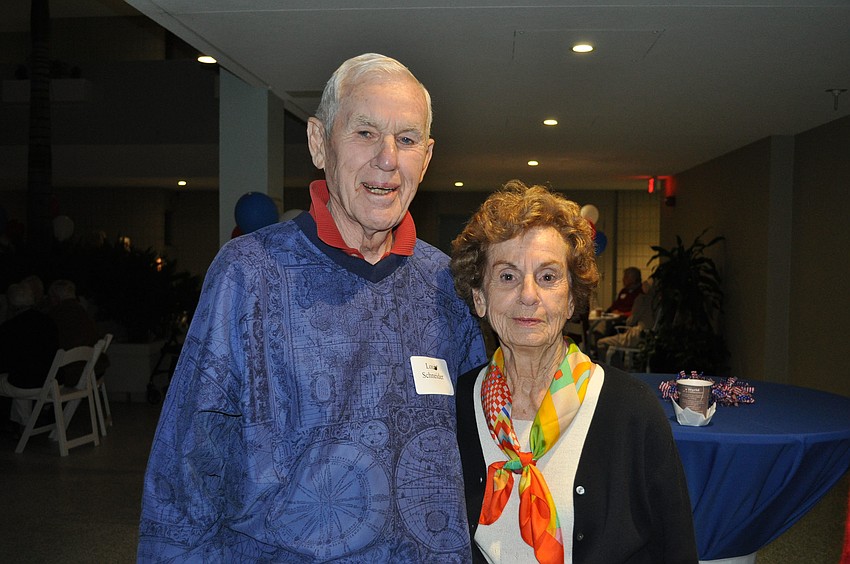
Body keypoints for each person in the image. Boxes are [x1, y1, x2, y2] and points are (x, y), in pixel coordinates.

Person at [137, 53, 487, 562]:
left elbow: (479, 446)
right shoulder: (249, 274)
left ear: (427, 157)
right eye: (365, 132)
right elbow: (187, 467)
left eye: (407, 139)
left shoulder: (445, 284)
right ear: (319, 142)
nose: (387, 159)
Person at [450, 180, 697, 563]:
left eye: (548, 277)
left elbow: (675, 548)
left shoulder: (631, 412)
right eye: (507, 276)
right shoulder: (458, 407)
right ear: (480, 298)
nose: (528, 295)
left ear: (571, 301)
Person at [0, 282, 60, 432]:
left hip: (29, 382)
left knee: (14, 377)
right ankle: (22, 424)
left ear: (11, 303)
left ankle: (19, 424)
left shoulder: (10, 328)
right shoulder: (48, 321)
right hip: (53, 379)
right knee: (21, 373)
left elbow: (5, 360)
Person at [47, 279, 109, 386]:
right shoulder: (83, 313)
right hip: (94, 369)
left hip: (75, 373)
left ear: (56, 298)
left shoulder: (56, 315)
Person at [595, 280, 655, 365]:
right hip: (650, 338)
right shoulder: (658, 302)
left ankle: (611, 369)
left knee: (601, 342)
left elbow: (631, 321)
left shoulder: (642, 299)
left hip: (637, 336)